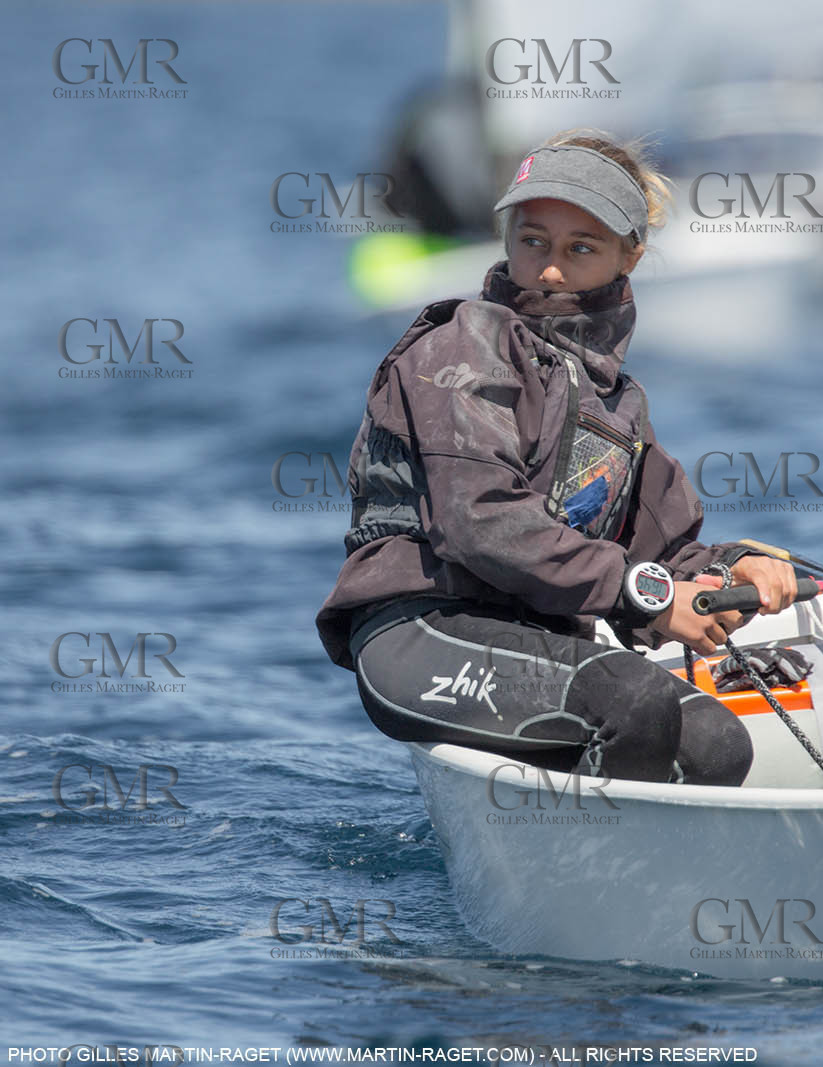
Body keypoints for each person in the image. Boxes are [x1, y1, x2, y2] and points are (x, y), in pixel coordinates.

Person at [315, 130, 797, 786]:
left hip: (534, 644)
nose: (549, 269)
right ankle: (592, 874)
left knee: (719, 745)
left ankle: (651, 879)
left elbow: (663, 551)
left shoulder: (620, 404)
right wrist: (650, 600)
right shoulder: (465, 345)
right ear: (508, 235)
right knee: (633, 700)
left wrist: (733, 568)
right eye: (534, 240)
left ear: (631, 256)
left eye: (580, 249)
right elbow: (481, 521)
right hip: (419, 633)